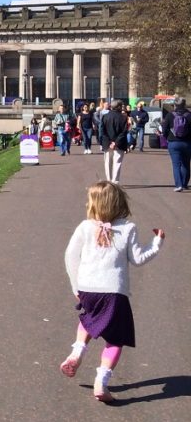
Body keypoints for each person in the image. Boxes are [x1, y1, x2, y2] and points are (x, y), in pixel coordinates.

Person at [60, 182, 163, 402]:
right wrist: (156, 243)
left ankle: (78, 351)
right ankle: (101, 382)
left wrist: (75, 285)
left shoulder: (85, 227)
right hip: (114, 292)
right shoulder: (127, 228)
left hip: (87, 288)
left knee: (87, 319)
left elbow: (70, 256)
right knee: (115, 339)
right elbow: (138, 259)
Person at [160, 97, 191, 192]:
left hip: (173, 143)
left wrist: (166, 137)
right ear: (184, 104)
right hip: (187, 143)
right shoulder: (189, 115)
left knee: (176, 164)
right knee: (186, 164)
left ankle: (179, 185)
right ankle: (185, 184)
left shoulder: (170, 115)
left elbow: (164, 130)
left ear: (174, 105)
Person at [100, 100, 129, 184]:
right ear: (119, 107)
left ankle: (109, 181)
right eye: (122, 106)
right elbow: (124, 132)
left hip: (107, 143)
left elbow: (102, 131)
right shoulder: (123, 117)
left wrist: (109, 142)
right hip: (119, 144)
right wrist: (115, 143)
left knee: (108, 162)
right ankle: (115, 181)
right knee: (117, 163)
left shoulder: (105, 116)